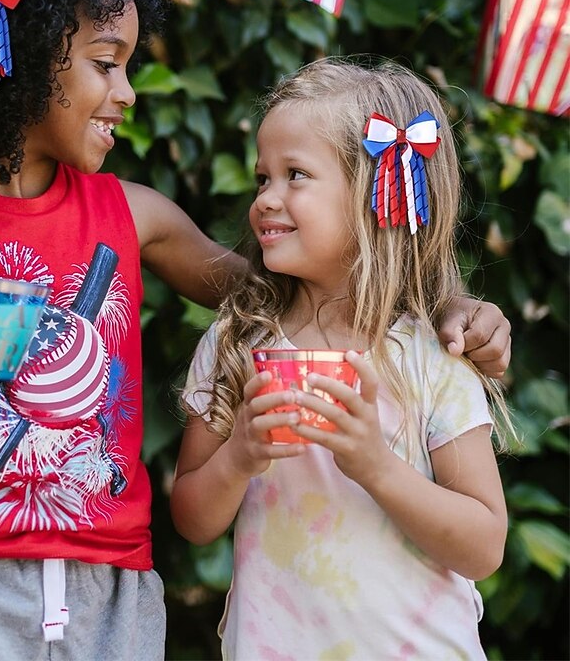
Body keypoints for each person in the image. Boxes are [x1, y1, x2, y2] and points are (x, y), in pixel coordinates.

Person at [0, 0, 509, 661]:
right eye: (107, 63)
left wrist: (447, 304)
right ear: (23, 48)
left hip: (111, 593)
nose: (128, 91)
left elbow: (307, 293)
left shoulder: (138, 219)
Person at [170, 58, 513, 660]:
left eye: (295, 175)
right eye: (261, 178)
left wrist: (377, 467)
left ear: (376, 191)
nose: (267, 199)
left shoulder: (434, 352)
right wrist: (240, 455)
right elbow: (193, 519)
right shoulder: (237, 342)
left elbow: (483, 546)